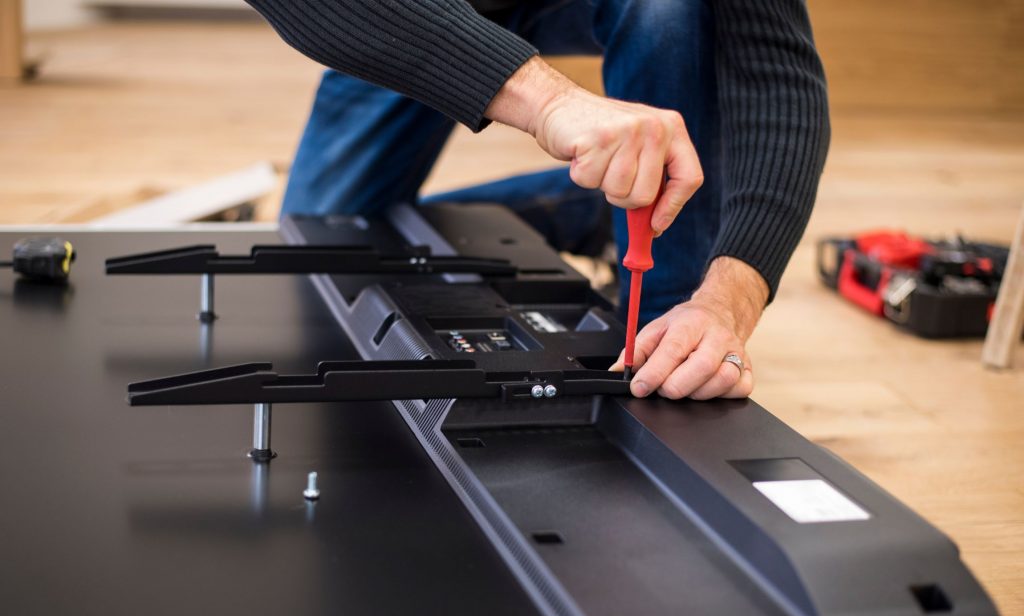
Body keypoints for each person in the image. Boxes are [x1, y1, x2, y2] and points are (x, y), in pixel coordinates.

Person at [243, 0, 830, 400]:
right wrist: (545, 101)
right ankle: (605, 206)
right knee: (319, 249)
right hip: (414, 12)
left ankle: (660, 326)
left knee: (673, 9)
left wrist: (729, 300)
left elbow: (776, 71)